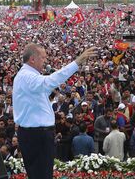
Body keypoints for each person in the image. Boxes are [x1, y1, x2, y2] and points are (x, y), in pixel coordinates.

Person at [13, 44, 96, 179]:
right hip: (36, 135)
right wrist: (76, 63)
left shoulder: (28, 76)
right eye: (43, 58)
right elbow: (51, 81)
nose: (45, 61)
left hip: (37, 134)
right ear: (32, 59)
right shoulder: (27, 76)